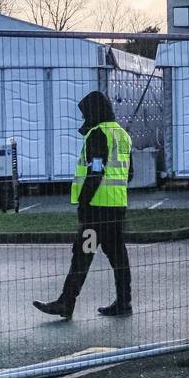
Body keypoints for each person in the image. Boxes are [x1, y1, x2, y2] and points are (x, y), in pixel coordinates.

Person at [34, 91, 133, 319]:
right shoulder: (122, 135)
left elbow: (95, 171)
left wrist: (84, 203)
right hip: (117, 208)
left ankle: (65, 303)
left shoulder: (98, 134)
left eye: (86, 112)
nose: (84, 117)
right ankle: (124, 302)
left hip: (95, 211)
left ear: (94, 111)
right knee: (119, 257)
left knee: (82, 254)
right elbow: (130, 173)